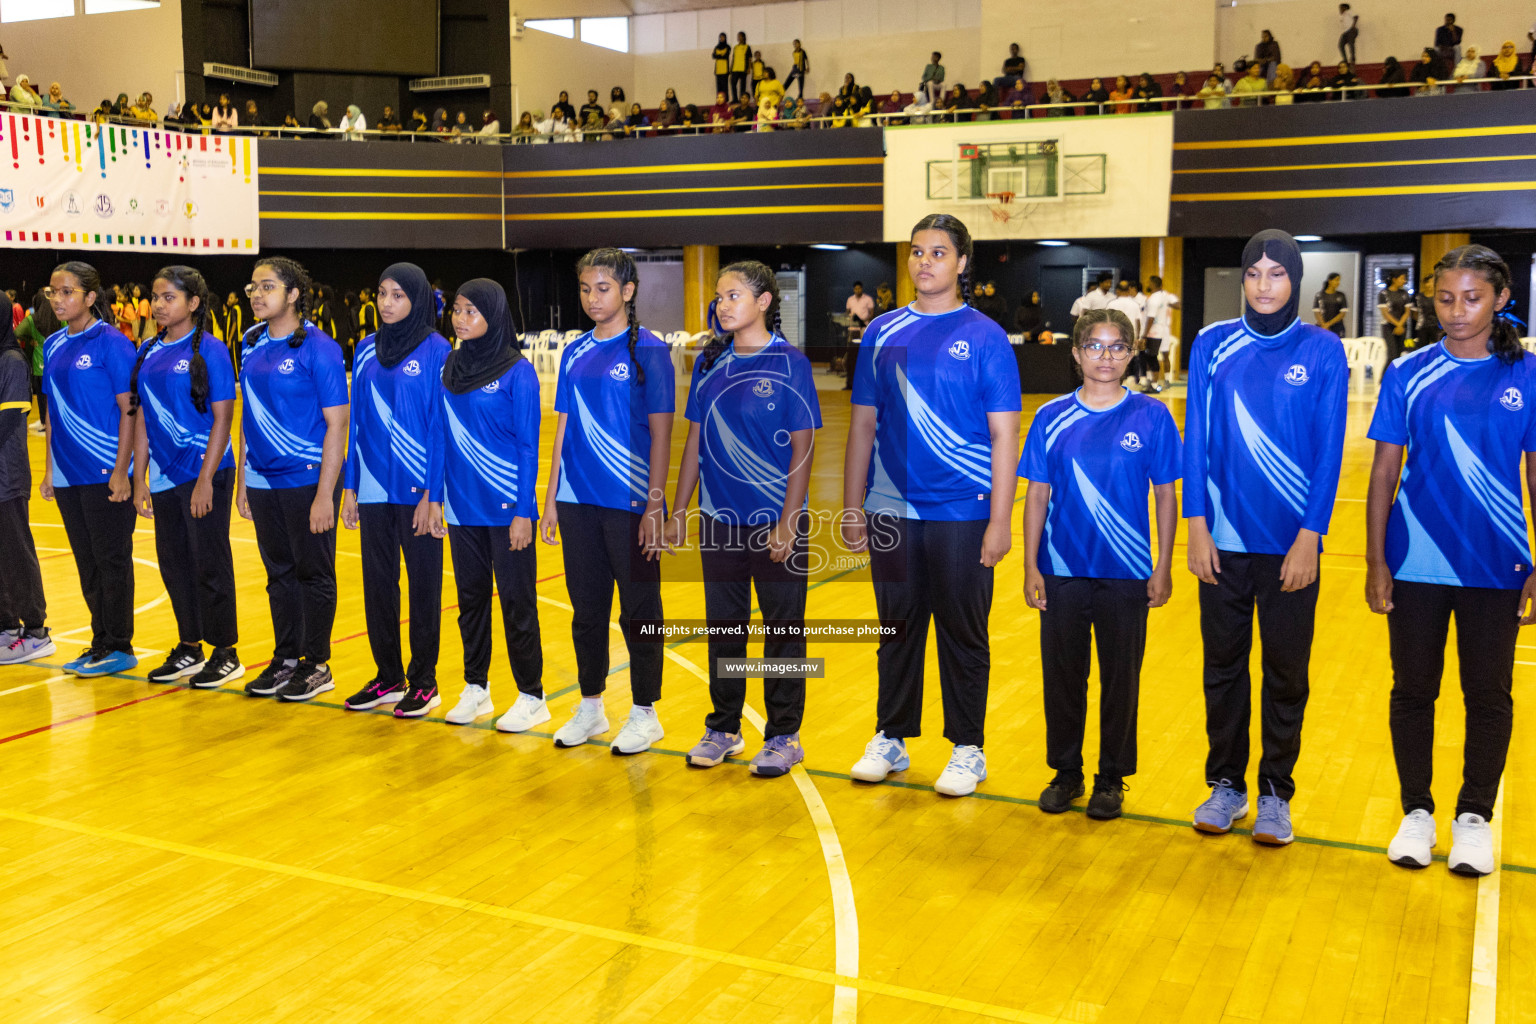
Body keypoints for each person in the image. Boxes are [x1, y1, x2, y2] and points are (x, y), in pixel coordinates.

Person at [1366, 245, 1535, 877]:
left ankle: (1473, 818)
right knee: (1413, 690)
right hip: (1414, 562)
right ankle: (1416, 812)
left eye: (1472, 298)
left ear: (1500, 299)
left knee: (1487, 693)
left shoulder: (1528, 376)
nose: (1457, 311)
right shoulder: (1409, 372)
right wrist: (1378, 561)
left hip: (1496, 562)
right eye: (1444, 298)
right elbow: (1385, 472)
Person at [843, 213, 1022, 798]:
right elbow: (864, 425)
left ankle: (968, 748)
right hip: (892, 507)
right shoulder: (881, 332)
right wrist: (852, 505)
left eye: (939, 252)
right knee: (895, 628)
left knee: (963, 633)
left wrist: (1000, 520)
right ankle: (891, 736)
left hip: (964, 510)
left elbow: (1003, 436)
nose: (925, 262)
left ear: (962, 263)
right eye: (917, 252)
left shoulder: (987, 336)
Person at [1183, 230, 1348, 845]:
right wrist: (1196, 527)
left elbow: (1330, 450)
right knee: (1222, 669)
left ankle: (1276, 793)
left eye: (1277, 274)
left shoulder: (1324, 350)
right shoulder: (1212, 345)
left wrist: (1310, 537)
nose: (1263, 285)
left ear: (1296, 281)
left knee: (1285, 672)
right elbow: (1195, 439)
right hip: (1221, 543)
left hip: (1290, 549)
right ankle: (1225, 785)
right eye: (1254, 274)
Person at [1021, 308, 1180, 819]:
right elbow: (1037, 497)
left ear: (1131, 353)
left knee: (1121, 679)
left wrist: (1163, 566)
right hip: (1062, 571)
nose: (1105, 356)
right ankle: (1066, 773)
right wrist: (1030, 566)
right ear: (1076, 353)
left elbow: (1165, 497)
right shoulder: (1050, 417)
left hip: (1128, 574)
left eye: (1116, 347)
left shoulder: (1153, 416)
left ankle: (1111, 779)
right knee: (1063, 678)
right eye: (1095, 346)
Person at [669, 261, 822, 775]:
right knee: (725, 628)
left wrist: (788, 521)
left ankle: (784, 735)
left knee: (782, 629)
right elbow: (694, 443)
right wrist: (677, 511)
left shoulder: (790, 364)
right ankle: (725, 727)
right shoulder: (710, 365)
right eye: (718, 296)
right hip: (719, 521)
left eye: (733, 295)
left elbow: (803, 448)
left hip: (774, 522)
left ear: (763, 303)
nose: (721, 304)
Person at [541, 248, 675, 755]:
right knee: (587, 609)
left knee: (640, 609)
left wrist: (654, 506)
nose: (593, 298)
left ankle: (645, 712)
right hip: (577, 501)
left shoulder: (650, 352)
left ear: (628, 291)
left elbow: (661, 436)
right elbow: (564, 427)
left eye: (603, 288)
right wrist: (552, 497)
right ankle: (592, 706)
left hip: (630, 503)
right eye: (585, 288)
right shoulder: (574, 352)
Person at [340, 263, 451, 717]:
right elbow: (357, 422)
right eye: (382, 293)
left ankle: (425, 680)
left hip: (418, 490)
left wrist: (433, 493)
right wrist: (349, 486)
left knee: (424, 587)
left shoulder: (438, 349)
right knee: (378, 586)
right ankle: (388, 676)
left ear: (417, 299)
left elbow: (441, 427)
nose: (386, 303)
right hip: (371, 486)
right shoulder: (365, 349)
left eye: (398, 295)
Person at [235, 258, 347, 701]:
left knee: (313, 572)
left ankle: (316, 663)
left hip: (306, 479)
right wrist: (244, 478)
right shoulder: (249, 343)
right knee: (278, 574)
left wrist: (325, 493)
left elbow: (337, 424)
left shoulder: (320, 348)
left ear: (294, 294)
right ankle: (285, 658)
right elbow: (249, 414)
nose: (257, 295)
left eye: (268, 287)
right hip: (263, 481)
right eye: (253, 288)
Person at [438, 279, 547, 732]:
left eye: (471, 312)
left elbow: (528, 447)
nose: (461, 320)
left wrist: (525, 510)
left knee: (518, 603)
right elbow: (438, 435)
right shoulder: (450, 366)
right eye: (457, 310)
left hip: (507, 510)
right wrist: (434, 498)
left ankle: (531, 695)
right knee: (471, 600)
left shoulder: (518, 372)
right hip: (461, 507)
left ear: (494, 316)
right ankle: (476, 688)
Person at [128, 266, 242, 689]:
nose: (158, 305)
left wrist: (206, 480)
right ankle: (190, 646)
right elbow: (141, 417)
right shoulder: (146, 351)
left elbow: (223, 419)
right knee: (175, 565)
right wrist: (139, 478)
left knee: (210, 562)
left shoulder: (210, 350)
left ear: (193, 304)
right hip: (162, 476)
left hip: (204, 472)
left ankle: (225, 651)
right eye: (155, 297)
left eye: (168, 298)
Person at [40, 262, 139, 677]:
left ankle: (120, 645)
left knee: (112, 558)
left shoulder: (113, 344)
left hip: (105, 470)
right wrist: (49, 471)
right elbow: (52, 414)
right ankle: (100, 641)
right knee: (87, 562)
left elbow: (129, 410)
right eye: (53, 293)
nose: (59, 300)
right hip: (67, 474)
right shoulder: (52, 344)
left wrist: (122, 471)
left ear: (91, 297)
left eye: (67, 292)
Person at [0, 303, 51, 665]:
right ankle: (6, 625)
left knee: (16, 552)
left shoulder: (12, 362)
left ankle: (35, 630)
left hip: (6, 475)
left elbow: (6, 420)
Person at [1141, 275, 1180, 393]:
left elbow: (1151, 317)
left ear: (1153, 284)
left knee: (1155, 357)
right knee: (1150, 357)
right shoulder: (1160, 297)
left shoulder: (1158, 298)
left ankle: (1156, 384)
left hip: (1155, 331)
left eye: (1149, 283)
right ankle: (1151, 383)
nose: (1147, 285)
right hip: (1157, 330)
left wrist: (1144, 335)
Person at [1377, 270, 1411, 362]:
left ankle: (1395, 375)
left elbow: (1407, 312)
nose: (1404, 281)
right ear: (1394, 279)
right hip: (1388, 326)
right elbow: (1385, 313)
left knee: (1398, 355)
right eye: (1402, 278)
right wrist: (1397, 325)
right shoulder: (1383, 294)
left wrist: (1400, 325)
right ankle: (1385, 376)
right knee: (1391, 355)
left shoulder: (1404, 293)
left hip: (1402, 326)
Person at [730, 32, 751, 101]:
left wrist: (748, 68)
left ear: (743, 37)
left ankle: (742, 99)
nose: (739, 38)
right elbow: (733, 58)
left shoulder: (747, 47)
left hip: (743, 69)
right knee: (733, 84)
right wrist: (731, 67)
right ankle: (735, 99)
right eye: (738, 36)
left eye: (740, 36)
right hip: (735, 69)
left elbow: (749, 59)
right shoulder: (736, 47)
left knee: (742, 86)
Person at [712, 33, 731, 99]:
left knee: (725, 87)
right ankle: (719, 99)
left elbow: (725, 56)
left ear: (725, 38)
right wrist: (720, 55)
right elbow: (713, 56)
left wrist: (718, 55)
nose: (721, 39)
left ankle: (725, 100)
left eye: (723, 37)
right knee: (719, 87)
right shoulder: (717, 47)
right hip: (718, 70)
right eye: (720, 37)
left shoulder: (728, 47)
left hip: (725, 70)